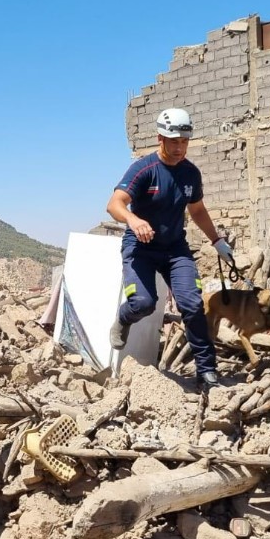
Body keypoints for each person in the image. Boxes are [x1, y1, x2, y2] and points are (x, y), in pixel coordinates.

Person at [107, 107, 235, 389]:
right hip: (140, 247)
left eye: (184, 141)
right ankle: (123, 318)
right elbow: (114, 204)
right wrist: (133, 218)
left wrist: (217, 241)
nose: (180, 148)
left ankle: (207, 370)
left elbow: (198, 210)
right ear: (160, 139)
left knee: (192, 304)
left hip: (175, 249)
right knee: (143, 303)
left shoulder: (190, 173)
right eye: (174, 141)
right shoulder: (144, 169)